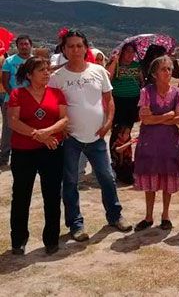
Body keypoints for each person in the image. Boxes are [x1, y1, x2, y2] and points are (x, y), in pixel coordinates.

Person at [48, 29, 132, 241]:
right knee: (70, 181)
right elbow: (50, 105)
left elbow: (109, 100)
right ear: (64, 49)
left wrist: (108, 122)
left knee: (107, 177)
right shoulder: (57, 77)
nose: (75, 49)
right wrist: (59, 127)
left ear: (86, 48)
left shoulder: (98, 71)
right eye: (71, 46)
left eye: (79, 45)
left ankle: (115, 216)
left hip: (97, 137)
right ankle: (76, 224)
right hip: (71, 139)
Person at [8, 57, 68, 255]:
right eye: (41, 70)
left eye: (47, 69)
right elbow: (13, 122)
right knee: (21, 196)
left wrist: (46, 133)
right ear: (29, 75)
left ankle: (51, 239)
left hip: (51, 151)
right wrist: (40, 136)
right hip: (23, 152)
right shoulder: (18, 94)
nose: (46, 73)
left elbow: (64, 119)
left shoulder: (56, 93)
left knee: (51, 195)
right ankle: (18, 240)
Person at [133, 56, 179, 231]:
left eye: (169, 69)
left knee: (167, 176)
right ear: (155, 74)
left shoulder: (178, 93)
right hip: (150, 142)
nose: (168, 72)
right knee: (151, 178)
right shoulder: (146, 92)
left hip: (169, 142)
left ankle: (165, 215)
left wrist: (157, 118)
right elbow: (145, 120)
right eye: (163, 69)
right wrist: (166, 116)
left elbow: (178, 119)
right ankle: (148, 216)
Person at [106, 42, 142, 183]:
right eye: (127, 51)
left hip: (133, 103)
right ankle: (117, 164)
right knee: (118, 133)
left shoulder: (136, 66)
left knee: (127, 132)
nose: (130, 54)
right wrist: (115, 61)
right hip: (118, 102)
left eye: (133, 51)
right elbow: (108, 78)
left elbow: (141, 81)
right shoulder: (115, 64)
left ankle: (126, 162)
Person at [1, 35, 33, 167]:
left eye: (26, 44)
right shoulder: (9, 61)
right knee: (8, 130)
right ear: (17, 46)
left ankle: (30, 155)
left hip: (32, 101)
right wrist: (13, 97)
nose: (24, 46)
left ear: (30, 45)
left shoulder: (35, 61)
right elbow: (5, 81)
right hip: (11, 100)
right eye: (21, 44)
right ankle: (3, 158)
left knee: (30, 128)